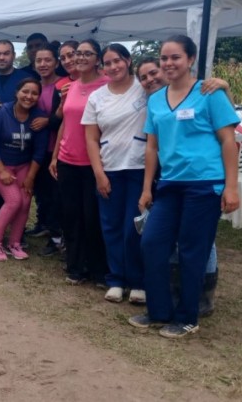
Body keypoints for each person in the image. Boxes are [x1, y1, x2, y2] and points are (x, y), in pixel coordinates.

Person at [130, 35, 239, 339]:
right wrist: (147, 189)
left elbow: (228, 141)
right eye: (164, 58)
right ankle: (159, 311)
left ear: (190, 59)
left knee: (193, 250)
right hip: (169, 184)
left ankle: (188, 317)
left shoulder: (209, 93)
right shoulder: (156, 99)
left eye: (175, 57)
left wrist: (231, 187)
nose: (168, 63)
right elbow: (152, 147)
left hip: (204, 185)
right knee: (152, 243)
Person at [82, 44, 147, 304]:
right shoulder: (97, 97)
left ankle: (138, 281)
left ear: (128, 61)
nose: (113, 67)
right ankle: (116, 280)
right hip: (109, 168)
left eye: (117, 61)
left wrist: (220, 85)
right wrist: (99, 174)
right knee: (111, 226)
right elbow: (91, 138)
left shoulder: (144, 88)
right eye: (107, 63)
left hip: (139, 167)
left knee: (135, 226)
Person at [49, 39, 109, 286]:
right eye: (77, 53)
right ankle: (75, 266)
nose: (80, 58)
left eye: (87, 53)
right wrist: (55, 155)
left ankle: (98, 269)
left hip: (95, 162)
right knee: (71, 215)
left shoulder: (108, 84)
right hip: (67, 160)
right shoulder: (70, 87)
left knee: (93, 217)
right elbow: (66, 122)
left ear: (98, 59)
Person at [0, 78, 48, 261]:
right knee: (14, 201)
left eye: (34, 93)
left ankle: (14, 242)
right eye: (25, 91)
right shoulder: (1, 112)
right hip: (0, 164)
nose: (29, 96)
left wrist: (31, 177)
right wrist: (2, 171)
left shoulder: (38, 117)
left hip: (24, 165)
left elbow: (39, 151)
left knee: (26, 201)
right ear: (17, 92)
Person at [29, 46, 65, 255]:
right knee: (42, 194)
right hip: (38, 150)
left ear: (56, 63)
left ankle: (57, 237)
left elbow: (66, 117)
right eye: (39, 61)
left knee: (57, 196)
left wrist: (48, 121)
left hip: (58, 150)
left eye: (48, 60)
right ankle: (46, 228)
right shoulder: (33, 87)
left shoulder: (64, 85)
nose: (43, 64)